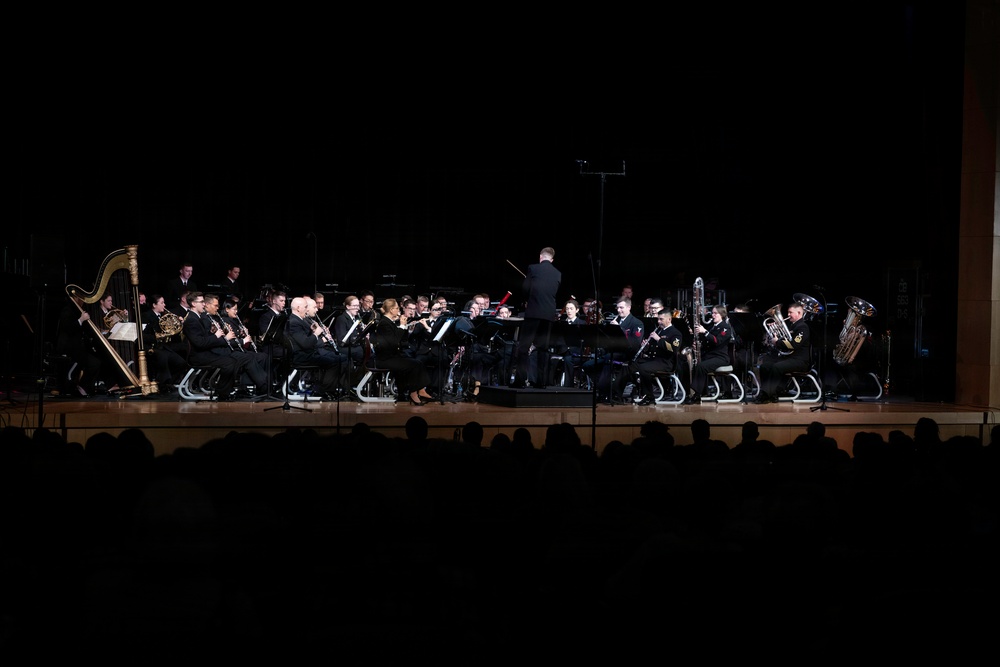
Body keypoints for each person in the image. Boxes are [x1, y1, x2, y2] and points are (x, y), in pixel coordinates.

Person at [182, 292, 266, 400]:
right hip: (199, 356)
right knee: (231, 362)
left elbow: (205, 337)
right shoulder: (191, 320)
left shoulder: (197, 317)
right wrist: (217, 336)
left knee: (234, 360)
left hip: (206, 352)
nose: (204, 304)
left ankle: (227, 391)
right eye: (202, 302)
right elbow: (200, 343)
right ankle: (223, 393)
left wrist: (216, 332)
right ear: (193, 303)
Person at [512, 246, 561, 388]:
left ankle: (520, 381)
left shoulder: (533, 268)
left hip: (533, 312)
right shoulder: (558, 273)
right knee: (543, 349)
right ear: (552, 260)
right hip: (548, 314)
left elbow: (525, 288)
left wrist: (526, 300)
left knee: (523, 347)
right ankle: (541, 382)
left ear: (540, 257)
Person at [371, 298, 434, 406]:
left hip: (393, 356)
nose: (398, 310)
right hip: (385, 359)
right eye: (396, 308)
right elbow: (394, 342)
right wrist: (402, 326)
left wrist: (406, 328)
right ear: (391, 310)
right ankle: (413, 393)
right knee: (414, 364)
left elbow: (401, 340)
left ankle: (420, 390)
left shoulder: (389, 322)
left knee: (418, 362)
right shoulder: (384, 323)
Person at [583, 296, 644, 401]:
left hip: (627, 354)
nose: (619, 310)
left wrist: (619, 328)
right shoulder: (616, 320)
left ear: (629, 307)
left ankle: (603, 391)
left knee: (608, 359)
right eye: (618, 308)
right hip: (612, 352)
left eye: (621, 308)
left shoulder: (636, 323)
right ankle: (604, 387)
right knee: (588, 365)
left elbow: (635, 343)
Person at [284, 296, 346, 399]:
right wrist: (316, 334)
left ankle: (326, 388)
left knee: (338, 359)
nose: (307, 309)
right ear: (298, 308)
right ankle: (322, 390)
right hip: (301, 357)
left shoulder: (298, 320)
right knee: (335, 362)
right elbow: (305, 343)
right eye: (305, 307)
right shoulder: (294, 322)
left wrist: (313, 330)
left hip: (308, 353)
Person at [756, 301, 810, 404]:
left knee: (777, 367)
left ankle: (766, 394)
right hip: (789, 358)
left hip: (800, 361)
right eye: (788, 312)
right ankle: (771, 394)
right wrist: (775, 331)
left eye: (790, 312)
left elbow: (794, 344)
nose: (788, 315)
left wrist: (778, 342)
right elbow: (785, 339)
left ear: (799, 313)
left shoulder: (803, 327)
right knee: (765, 366)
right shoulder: (792, 325)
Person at [684, 304, 735, 404]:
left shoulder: (725, 327)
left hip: (721, 358)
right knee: (691, 364)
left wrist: (705, 332)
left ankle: (696, 395)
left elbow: (717, 341)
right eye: (712, 313)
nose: (713, 315)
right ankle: (698, 392)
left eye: (715, 313)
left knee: (701, 366)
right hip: (711, 356)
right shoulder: (712, 326)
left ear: (722, 315)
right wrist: (698, 345)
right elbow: (708, 343)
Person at [631, 310, 683, 405]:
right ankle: (617, 392)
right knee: (631, 365)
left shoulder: (675, 333)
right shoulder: (659, 330)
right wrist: (646, 347)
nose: (658, 321)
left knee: (644, 368)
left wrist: (658, 339)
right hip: (655, 360)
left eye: (661, 319)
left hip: (666, 362)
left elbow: (673, 349)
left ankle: (649, 396)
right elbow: (652, 349)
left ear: (669, 319)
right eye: (658, 319)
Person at [55, 295, 102, 397]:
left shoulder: (79, 310)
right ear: (75, 298)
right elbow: (68, 329)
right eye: (81, 299)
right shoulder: (67, 310)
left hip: (78, 348)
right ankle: (69, 388)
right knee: (85, 362)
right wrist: (81, 319)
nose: (83, 301)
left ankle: (83, 388)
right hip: (68, 347)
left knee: (95, 362)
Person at [141, 294, 189, 390]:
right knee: (163, 358)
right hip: (152, 347)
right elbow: (143, 335)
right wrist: (157, 337)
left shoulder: (163, 316)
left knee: (181, 363)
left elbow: (171, 331)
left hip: (163, 346)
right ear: (154, 305)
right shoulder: (146, 316)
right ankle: (162, 384)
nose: (164, 305)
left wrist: (178, 323)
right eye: (162, 303)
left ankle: (168, 383)